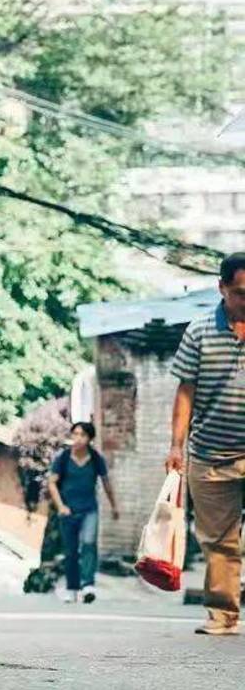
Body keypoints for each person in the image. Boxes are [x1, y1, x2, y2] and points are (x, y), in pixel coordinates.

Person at [165, 251, 245, 637]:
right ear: (222, 288)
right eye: (241, 293)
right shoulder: (199, 332)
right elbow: (185, 393)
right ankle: (223, 615)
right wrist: (175, 446)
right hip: (210, 455)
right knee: (219, 541)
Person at [47, 421, 120, 604]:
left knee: (88, 544)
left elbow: (106, 483)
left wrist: (114, 506)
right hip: (68, 511)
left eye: (83, 435)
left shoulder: (95, 458)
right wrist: (60, 506)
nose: (78, 438)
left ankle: (88, 585)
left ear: (90, 439)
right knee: (70, 551)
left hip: (89, 509)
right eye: (75, 434)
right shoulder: (63, 458)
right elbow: (52, 483)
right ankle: (72, 589)